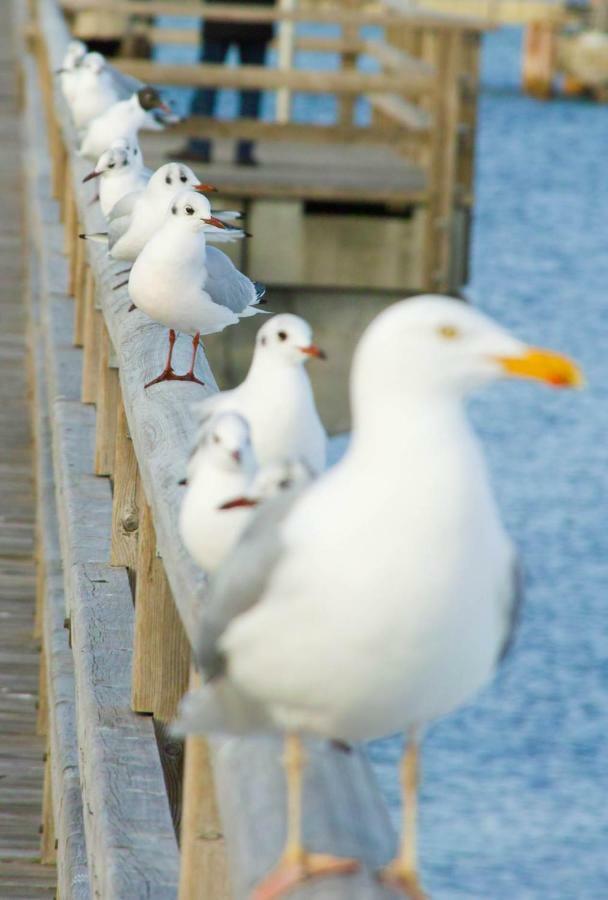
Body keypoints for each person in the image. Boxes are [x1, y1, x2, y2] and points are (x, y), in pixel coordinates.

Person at [174, 0, 277, 167]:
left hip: (220, 20)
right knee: (251, 90)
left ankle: (199, 146)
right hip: (257, 21)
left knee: (207, 86)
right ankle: (244, 151)